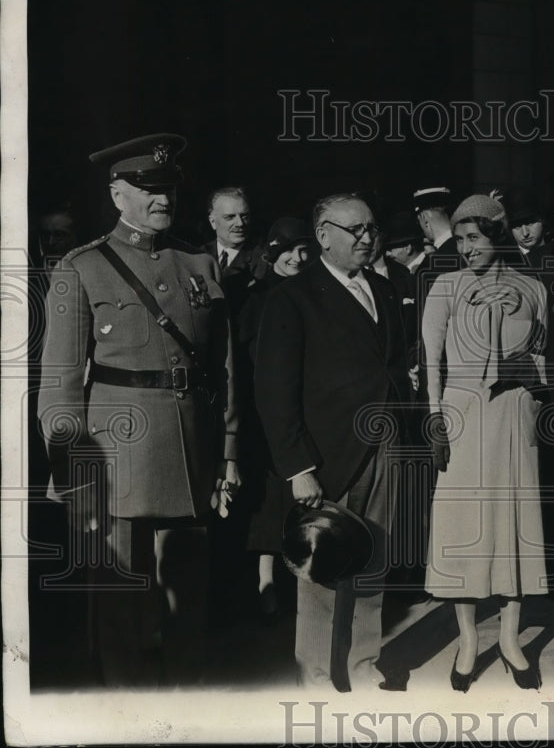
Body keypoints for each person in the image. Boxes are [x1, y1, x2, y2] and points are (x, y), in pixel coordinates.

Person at [37, 133, 239, 686]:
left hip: (189, 453)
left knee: (188, 601)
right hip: (117, 459)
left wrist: (228, 450)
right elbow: (59, 385)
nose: (162, 199)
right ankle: (126, 709)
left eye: (168, 188)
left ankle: (184, 705)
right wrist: (70, 472)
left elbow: (221, 369)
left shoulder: (197, 261)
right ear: (117, 195)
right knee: (121, 601)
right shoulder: (82, 269)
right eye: (148, 188)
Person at [254, 193, 410, 690]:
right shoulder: (293, 297)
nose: (368, 238)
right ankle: (316, 673)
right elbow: (275, 391)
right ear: (323, 235)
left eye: (371, 229)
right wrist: (298, 467)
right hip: (326, 456)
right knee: (321, 565)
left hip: (383, 446)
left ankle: (362, 664)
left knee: (372, 559)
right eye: (355, 231)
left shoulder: (383, 290)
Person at [421, 194, 549, 691]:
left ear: (498, 234)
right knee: (463, 525)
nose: (466, 247)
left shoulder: (533, 287)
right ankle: (469, 638)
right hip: (462, 415)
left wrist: (524, 321)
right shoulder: (446, 286)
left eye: (475, 237)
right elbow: (432, 360)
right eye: (459, 238)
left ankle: (512, 639)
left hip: (515, 414)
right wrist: (434, 418)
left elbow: (544, 360)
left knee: (513, 524)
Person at [238, 217, 313, 618]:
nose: (298, 259)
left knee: (302, 501)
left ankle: (302, 579)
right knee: (268, 500)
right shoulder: (257, 298)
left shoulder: (311, 294)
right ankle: (265, 582)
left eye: (304, 251)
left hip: (305, 405)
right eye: (289, 251)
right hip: (263, 410)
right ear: (272, 252)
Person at [501, 186, 550, 270]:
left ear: (542, 220)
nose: (525, 233)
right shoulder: (504, 262)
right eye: (517, 226)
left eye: (530, 223)